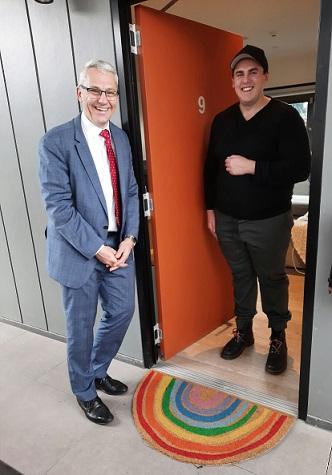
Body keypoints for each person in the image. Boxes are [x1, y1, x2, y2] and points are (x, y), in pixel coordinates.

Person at [39, 59, 139, 424]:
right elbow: (58, 208)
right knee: (80, 326)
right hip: (79, 251)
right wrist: (98, 249)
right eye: (95, 90)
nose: (103, 99)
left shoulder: (121, 139)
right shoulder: (56, 141)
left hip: (119, 246)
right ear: (79, 93)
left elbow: (129, 190)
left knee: (122, 311)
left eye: (110, 91)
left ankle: (96, 370)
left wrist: (129, 238)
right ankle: (84, 391)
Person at [204, 45, 311, 375]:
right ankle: (245, 332)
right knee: (241, 277)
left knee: (272, 279)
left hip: (268, 220)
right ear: (233, 81)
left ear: (265, 76)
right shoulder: (222, 121)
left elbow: (300, 169)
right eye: (239, 74)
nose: (246, 80)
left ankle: (278, 338)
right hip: (227, 219)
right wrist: (210, 208)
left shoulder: (285, 117)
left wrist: (252, 167)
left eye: (253, 72)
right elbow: (209, 168)